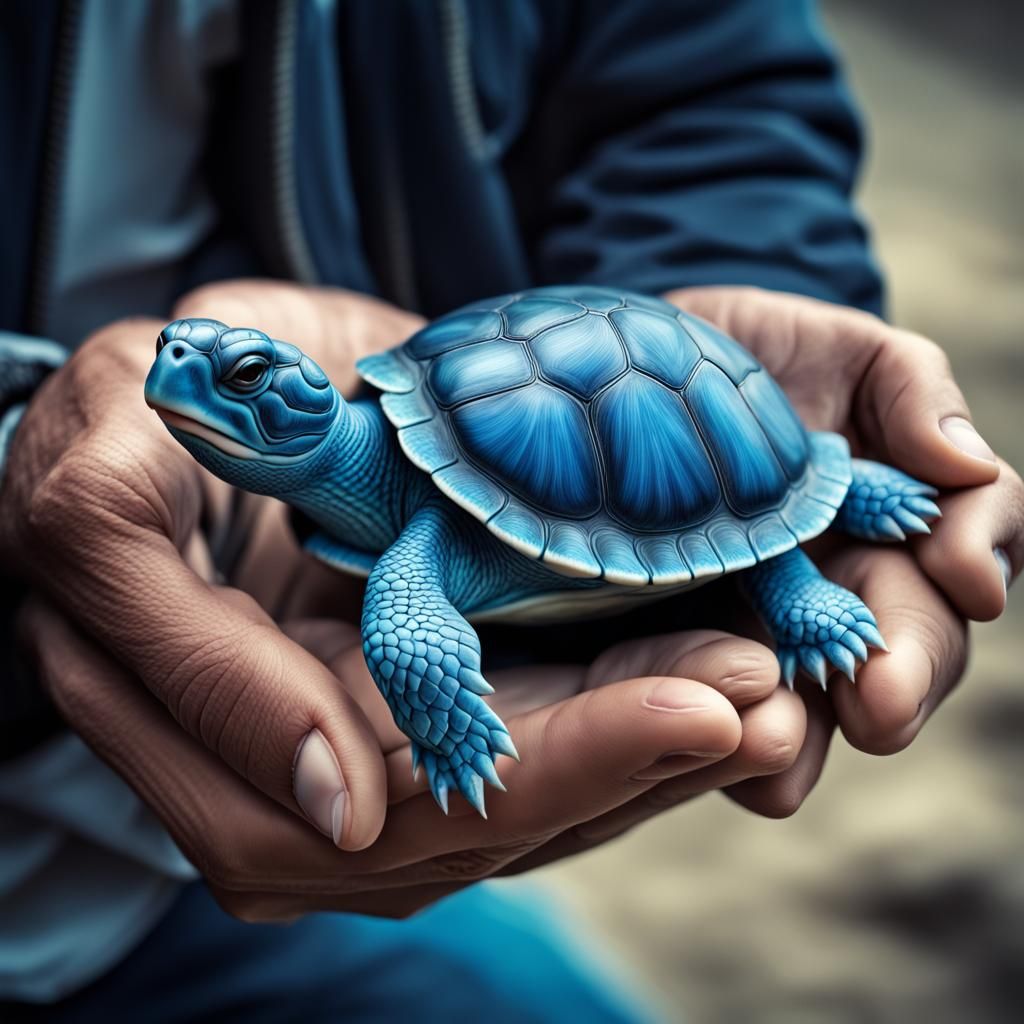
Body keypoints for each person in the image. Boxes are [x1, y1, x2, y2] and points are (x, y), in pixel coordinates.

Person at [0, 1, 1020, 1019]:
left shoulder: (409, 547)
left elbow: (693, 75)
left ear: (312, 392)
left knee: (778, 583)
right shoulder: (403, 532)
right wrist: (20, 446)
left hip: (144, 900)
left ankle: (826, 496)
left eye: (243, 370)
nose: (187, 367)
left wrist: (747, 283)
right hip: (77, 848)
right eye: (199, 364)